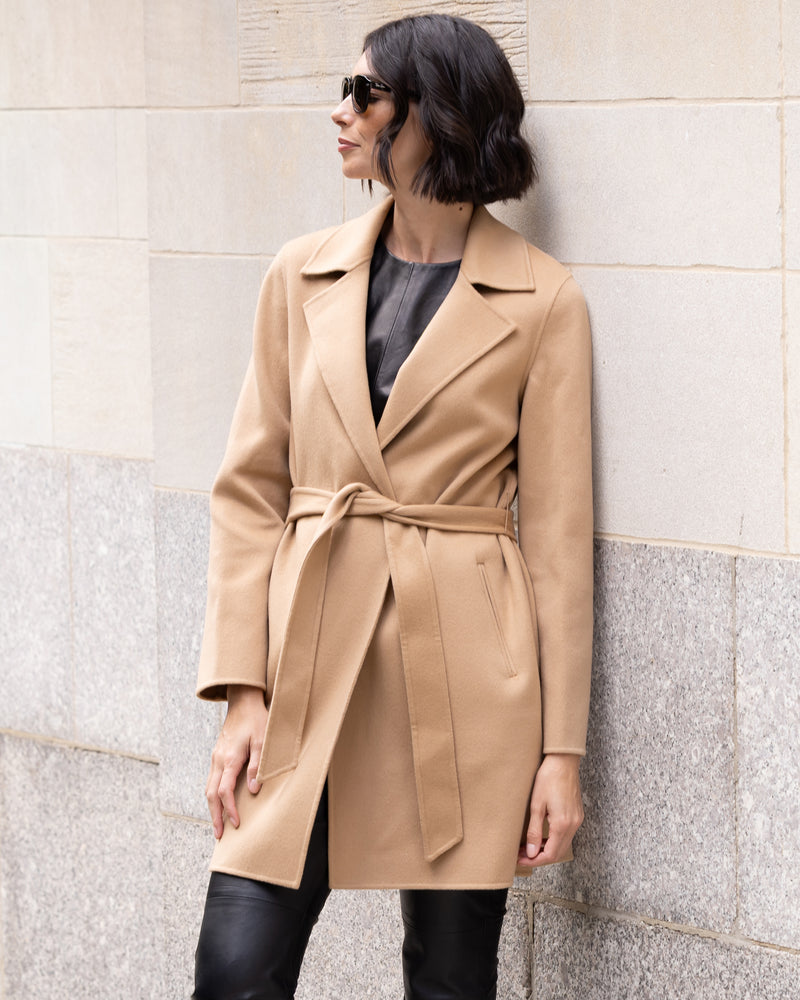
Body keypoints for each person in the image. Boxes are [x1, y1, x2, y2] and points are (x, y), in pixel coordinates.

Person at [192, 13, 593, 1000]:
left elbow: (553, 542)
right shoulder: (299, 273)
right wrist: (242, 692)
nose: (340, 113)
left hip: (461, 675)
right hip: (307, 668)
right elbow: (249, 491)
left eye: (364, 95)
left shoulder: (540, 300)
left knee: (449, 978)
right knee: (234, 966)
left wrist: (559, 755)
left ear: (432, 117)